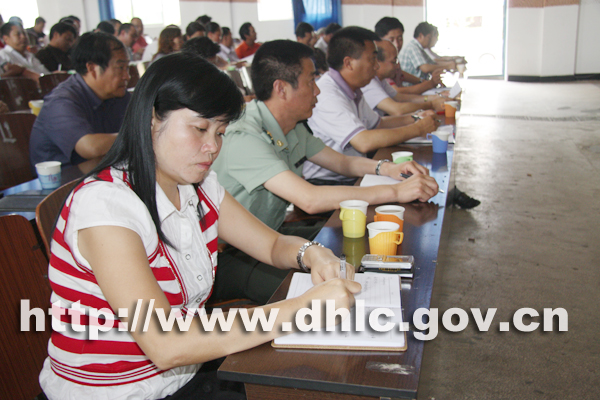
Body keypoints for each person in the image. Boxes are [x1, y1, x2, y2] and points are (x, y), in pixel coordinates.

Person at [38, 52, 359, 399]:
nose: (212, 147)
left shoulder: (198, 185)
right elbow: (166, 343)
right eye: (200, 129)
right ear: (151, 119)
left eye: (220, 132)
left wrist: (314, 254)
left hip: (185, 376)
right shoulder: (106, 206)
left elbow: (271, 245)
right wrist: (303, 309)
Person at [211, 40, 438, 304]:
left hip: (271, 238)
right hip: (228, 256)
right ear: (281, 88)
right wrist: (396, 191)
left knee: (353, 239)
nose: (317, 90)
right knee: (328, 293)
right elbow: (310, 199)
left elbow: (342, 163)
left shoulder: (291, 125)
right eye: (310, 81)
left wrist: (387, 168)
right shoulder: (244, 136)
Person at [303, 27, 438, 184]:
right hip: (328, 181)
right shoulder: (327, 94)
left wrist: (416, 118)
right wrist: (418, 129)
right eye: (372, 59)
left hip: (353, 172)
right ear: (348, 63)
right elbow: (364, 142)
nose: (376, 66)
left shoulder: (354, 88)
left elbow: (378, 123)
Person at [29, 32, 131, 167]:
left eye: (127, 68)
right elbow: (90, 147)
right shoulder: (61, 102)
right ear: (92, 68)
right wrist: (139, 134)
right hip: (64, 178)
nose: (127, 76)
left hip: (101, 172)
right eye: (120, 68)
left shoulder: (118, 95)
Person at [362, 40, 446, 116]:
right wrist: (431, 104)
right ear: (378, 62)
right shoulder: (369, 83)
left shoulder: (380, 80)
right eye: (394, 62)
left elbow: (400, 98)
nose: (398, 66)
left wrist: (436, 97)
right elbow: (397, 110)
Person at [374, 17, 445, 95]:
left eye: (400, 39)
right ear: (379, 41)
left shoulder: (394, 60)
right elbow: (397, 92)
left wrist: (422, 81)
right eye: (391, 40)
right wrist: (430, 84)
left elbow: (401, 73)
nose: (397, 44)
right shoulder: (380, 64)